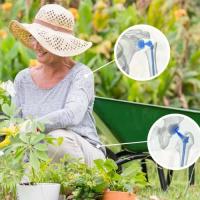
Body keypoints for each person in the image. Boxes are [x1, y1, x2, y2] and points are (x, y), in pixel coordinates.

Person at [9, 4, 105, 166]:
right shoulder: (23, 79)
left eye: (43, 39)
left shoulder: (81, 75)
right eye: (34, 37)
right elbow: (15, 126)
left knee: (56, 140)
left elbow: (71, 115)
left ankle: (76, 188)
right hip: (38, 158)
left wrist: (34, 125)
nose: (36, 46)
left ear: (60, 43)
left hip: (83, 153)